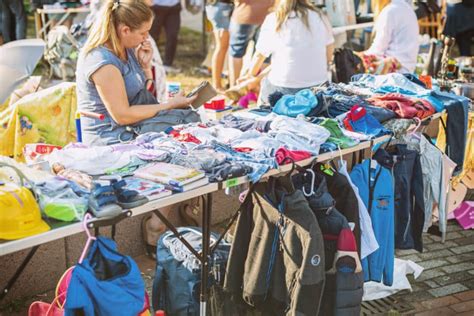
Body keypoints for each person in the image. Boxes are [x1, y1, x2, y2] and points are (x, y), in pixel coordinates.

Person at [238, 0, 334, 105]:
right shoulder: (320, 16)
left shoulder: (274, 19)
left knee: (267, 81)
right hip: (319, 89)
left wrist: (250, 76)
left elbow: (259, 56)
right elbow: (328, 57)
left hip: (283, 90)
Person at [363, 0, 419, 73]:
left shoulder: (390, 11)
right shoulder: (406, 8)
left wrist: (359, 55)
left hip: (397, 70)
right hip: (409, 67)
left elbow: (378, 50)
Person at [228, 0, 274, 87]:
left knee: (236, 54)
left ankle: (235, 89)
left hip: (245, 13)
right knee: (264, 56)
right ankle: (257, 90)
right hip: (268, 14)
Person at [205, 0, 234, 92]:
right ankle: (217, 85)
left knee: (229, 47)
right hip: (221, 6)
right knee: (222, 46)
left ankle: (230, 82)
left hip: (224, 6)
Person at [149, 0, 182, 73]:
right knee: (151, 38)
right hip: (155, 7)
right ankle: (151, 63)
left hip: (174, 7)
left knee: (172, 36)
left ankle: (167, 64)